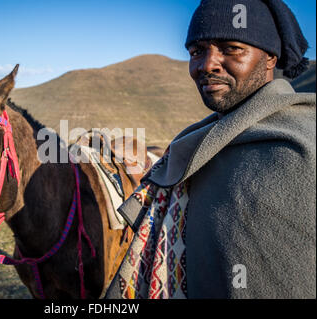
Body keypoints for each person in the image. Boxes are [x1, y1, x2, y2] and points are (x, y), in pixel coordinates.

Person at [105, 0, 315, 299]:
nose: (206, 64)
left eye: (231, 48)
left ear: (270, 58)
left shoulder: (303, 147)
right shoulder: (199, 142)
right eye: (196, 52)